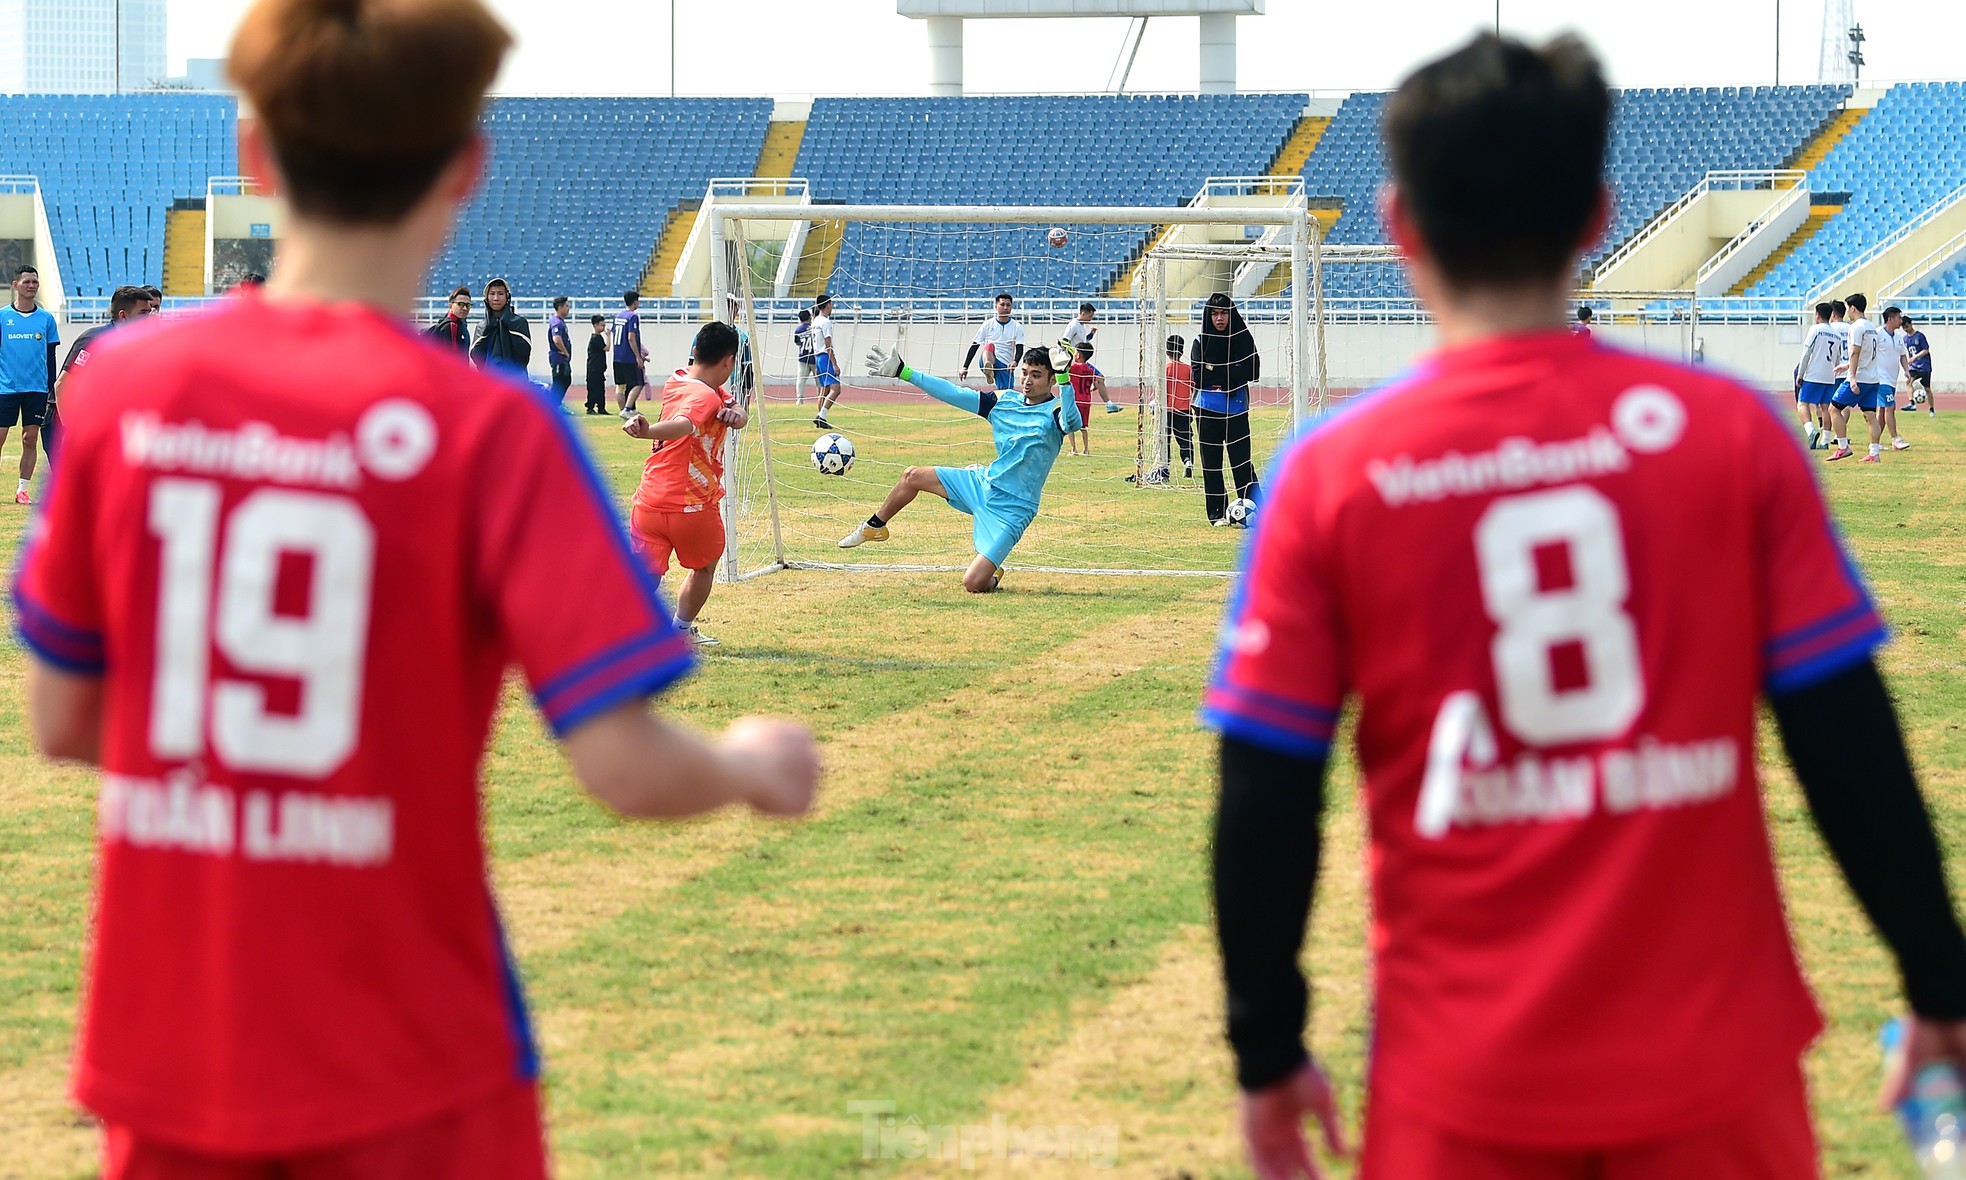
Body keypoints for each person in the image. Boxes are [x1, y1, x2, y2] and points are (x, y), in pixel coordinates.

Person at [14, 2, 821, 1177]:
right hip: (410, 1064)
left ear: (252, 157)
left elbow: (64, 717)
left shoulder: (127, 394)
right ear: (463, 169)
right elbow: (624, 766)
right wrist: (751, 763)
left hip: (170, 1044)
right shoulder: (489, 430)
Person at [1205, 32, 1966, 1180]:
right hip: (1716, 1077)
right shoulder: (1726, 435)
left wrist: (1266, 1053)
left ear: (1399, 225)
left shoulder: (1331, 477)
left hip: (1462, 1087)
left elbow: (1265, 790)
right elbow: (1844, 738)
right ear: (1598, 214)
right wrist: (1938, 988)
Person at [839, 343, 1082, 593]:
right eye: (1024, 372)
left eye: (1036, 375)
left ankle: (993, 572)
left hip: (1014, 508)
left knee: (974, 584)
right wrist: (904, 371)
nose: (1027, 380)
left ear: (1052, 378)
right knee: (912, 476)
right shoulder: (1004, 400)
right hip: (981, 485)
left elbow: (1073, 422)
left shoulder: (1054, 412)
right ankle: (875, 527)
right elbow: (954, 393)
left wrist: (1066, 380)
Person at [622, 321, 749, 646]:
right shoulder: (705, 397)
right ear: (729, 361)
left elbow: (725, 400)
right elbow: (683, 424)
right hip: (691, 507)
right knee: (705, 567)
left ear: (695, 352)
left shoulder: (679, 377)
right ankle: (680, 630)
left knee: (645, 576)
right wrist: (649, 431)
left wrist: (736, 410)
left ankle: (615, 633)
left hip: (649, 501)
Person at [47, 285, 158, 463]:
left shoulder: (136, 343)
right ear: (123, 315)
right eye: (143, 313)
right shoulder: (96, 341)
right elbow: (63, 385)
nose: (151, 317)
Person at [1189, 292, 1260, 524]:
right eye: (1215, 313)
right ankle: (1217, 514)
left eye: (1224, 313)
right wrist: (1231, 372)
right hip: (1206, 410)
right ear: (1208, 316)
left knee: (1242, 463)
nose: (1219, 318)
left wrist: (1214, 370)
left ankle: (1254, 510)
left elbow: (1252, 371)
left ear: (1231, 315)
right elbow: (1198, 377)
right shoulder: (1200, 342)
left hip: (1237, 409)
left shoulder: (1242, 339)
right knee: (1212, 465)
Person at [0, 264, 58, 505]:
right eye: (27, 282)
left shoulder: (46, 319)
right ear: (16, 285)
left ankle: (22, 490)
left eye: (35, 282)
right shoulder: (3, 317)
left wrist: (50, 389)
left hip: (36, 389)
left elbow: (51, 357)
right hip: (6, 389)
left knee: (29, 438)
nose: (31, 286)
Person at [1827, 292, 1888, 463]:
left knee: (1834, 408)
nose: (1847, 311)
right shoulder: (1871, 327)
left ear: (1853, 308)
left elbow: (1855, 352)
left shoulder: (1856, 327)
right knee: (1870, 415)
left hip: (1859, 378)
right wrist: (1846, 365)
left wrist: (1851, 376)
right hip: (1873, 379)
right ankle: (1874, 453)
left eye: (1848, 308)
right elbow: (1868, 354)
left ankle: (1842, 446)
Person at [1795, 301, 1841, 449]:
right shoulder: (1836, 334)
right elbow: (1838, 358)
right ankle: (1825, 441)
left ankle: (1811, 431)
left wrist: (1800, 374)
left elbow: (1806, 353)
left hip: (1814, 374)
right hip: (1829, 375)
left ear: (1817, 315)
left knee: (1802, 403)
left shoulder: (1815, 330)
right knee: (1825, 407)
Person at [959, 292, 1025, 392]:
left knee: (1006, 393)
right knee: (989, 345)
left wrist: (1015, 362)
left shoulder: (1017, 327)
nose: (1005, 308)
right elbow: (975, 345)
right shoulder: (988, 324)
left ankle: (992, 375)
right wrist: (965, 367)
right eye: (1002, 304)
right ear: (996, 306)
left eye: (1008, 305)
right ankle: (988, 369)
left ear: (1011, 307)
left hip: (1005, 366)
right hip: (988, 358)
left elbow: (1019, 348)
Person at [1064, 341, 1117, 455]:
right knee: (1084, 426)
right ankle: (1086, 449)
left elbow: (1065, 369)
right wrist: (1091, 389)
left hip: (1075, 400)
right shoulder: (1090, 370)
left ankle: (1073, 449)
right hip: (1086, 401)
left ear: (1077, 355)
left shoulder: (1074, 367)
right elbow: (1098, 381)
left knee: (1069, 424)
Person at [471, 276, 531, 377]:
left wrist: (507, 323)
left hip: (515, 383)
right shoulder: (482, 326)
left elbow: (523, 357)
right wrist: (487, 329)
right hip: (489, 382)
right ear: (486, 298)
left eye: (500, 294)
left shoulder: (519, 322)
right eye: (492, 294)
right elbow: (476, 356)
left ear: (508, 297)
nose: (496, 298)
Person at [1877, 304, 1910, 451]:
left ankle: (1875, 441)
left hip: (1892, 379)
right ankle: (1896, 439)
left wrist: (1907, 371)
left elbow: (1902, 355)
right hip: (1880, 379)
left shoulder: (1898, 337)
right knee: (1890, 407)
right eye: (1898, 318)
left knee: (1883, 411)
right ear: (1890, 319)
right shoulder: (1878, 334)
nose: (1901, 320)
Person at [1164, 332, 1195, 480]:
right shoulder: (1189, 369)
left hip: (1168, 410)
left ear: (1167, 352)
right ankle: (1188, 461)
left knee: (1165, 438)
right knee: (1185, 438)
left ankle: (1165, 465)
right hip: (1184, 409)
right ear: (1182, 351)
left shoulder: (1165, 369)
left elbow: (1160, 391)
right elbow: (1194, 389)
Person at [810, 293, 843, 429]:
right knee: (836, 389)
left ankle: (820, 417)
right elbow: (828, 344)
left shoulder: (815, 321)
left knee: (825, 389)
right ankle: (821, 416)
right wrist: (835, 364)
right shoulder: (825, 322)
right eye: (831, 305)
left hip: (817, 357)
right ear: (828, 305)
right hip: (825, 357)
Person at [614, 290, 648, 417]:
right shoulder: (633, 317)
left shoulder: (618, 316)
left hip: (617, 356)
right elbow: (631, 337)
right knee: (638, 383)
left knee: (621, 386)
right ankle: (627, 410)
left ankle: (625, 410)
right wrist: (638, 356)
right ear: (635, 302)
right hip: (628, 357)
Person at [1902, 314, 1934, 415]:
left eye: (1907, 326)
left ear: (1910, 324)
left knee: (1927, 388)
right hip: (1914, 366)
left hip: (1924, 366)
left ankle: (1931, 409)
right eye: (1903, 328)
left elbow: (1926, 350)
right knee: (1908, 381)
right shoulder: (1905, 339)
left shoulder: (1920, 336)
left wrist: (1915, 357)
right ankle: (1911, 403)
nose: (1906, 329)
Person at [428, 285, 473, 352]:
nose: (465, 308)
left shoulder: (460, 323)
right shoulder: (451, 326)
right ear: (450, 305)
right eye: (460, 304)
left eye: (468, 305)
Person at [547, 295, 573, 408]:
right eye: (566, 306)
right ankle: (550, 406)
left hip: (562, 359)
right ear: (560, 307)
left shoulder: (560, 322)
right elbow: (556, 339)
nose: (568, 308)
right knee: (559, 382)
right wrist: (565, 352)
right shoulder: (556, 322)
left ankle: (556, 404)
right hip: (558, 358)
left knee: (566, 380)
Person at [585, 312, 610, 414]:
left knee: (600, 389)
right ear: (595, 325)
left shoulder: (598, 337)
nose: (604, 327)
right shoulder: (595, 339)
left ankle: (601, 407)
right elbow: (607, 348)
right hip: (593, 368)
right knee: (593, 389)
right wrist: (609, 336)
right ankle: (590, 407)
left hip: (599, 368)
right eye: (602, 325)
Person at [793, 308, 816, 405]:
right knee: (819, 380)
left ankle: (799, 398)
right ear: (810, 317)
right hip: (814, 357)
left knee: (801, 379)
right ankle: (821, 396)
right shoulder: (814, 327)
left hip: (803, 357)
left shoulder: (798, 330)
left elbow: (797, 342)